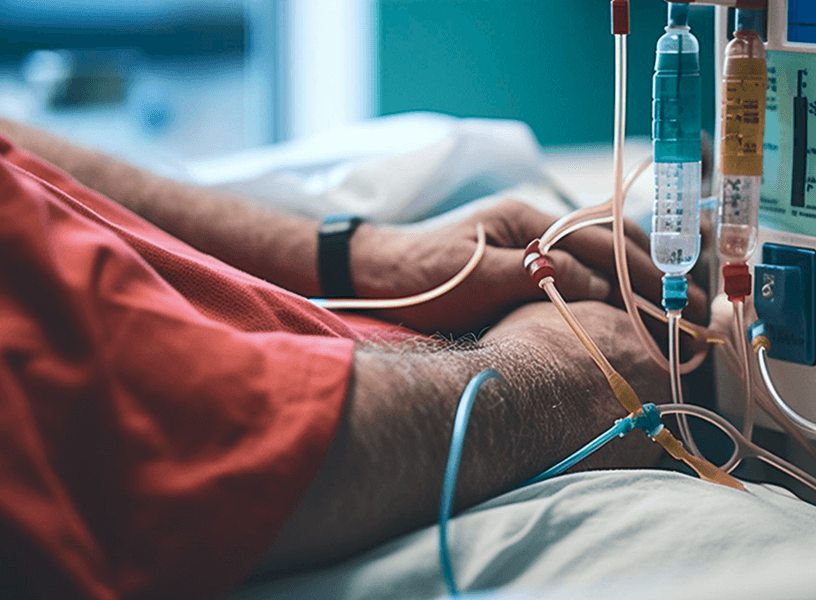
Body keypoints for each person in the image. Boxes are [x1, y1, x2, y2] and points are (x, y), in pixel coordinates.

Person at [0, 117, 707, 600]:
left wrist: (354, 255)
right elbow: (173, 447)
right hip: (379, 447)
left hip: (391, 338)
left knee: (508, 171)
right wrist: (564, 378)